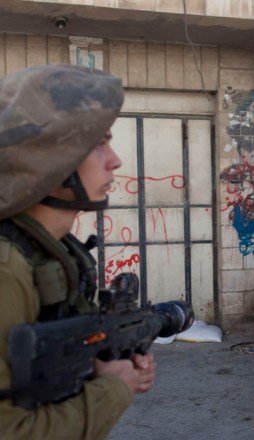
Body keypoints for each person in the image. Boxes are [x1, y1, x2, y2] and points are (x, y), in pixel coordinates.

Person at [0, 64, 156, 439]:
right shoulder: (7, 269)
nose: (115, 160)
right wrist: (113, 390)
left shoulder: (48, 250)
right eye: (99, 143)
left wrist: (101, 370)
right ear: (50, 157)